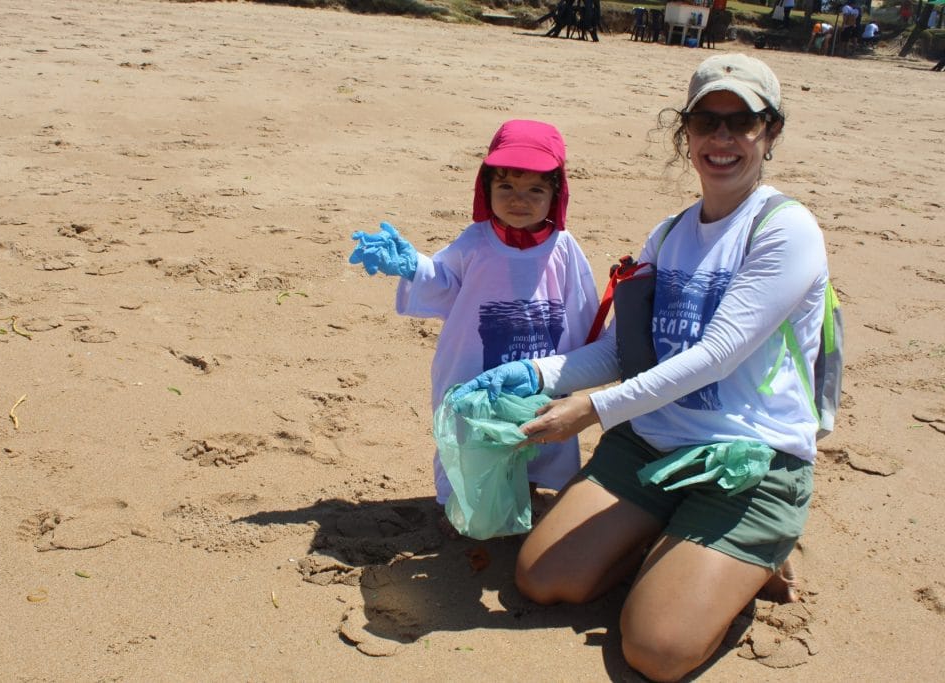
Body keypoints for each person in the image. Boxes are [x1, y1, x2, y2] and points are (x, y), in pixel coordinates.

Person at [454, 54, 827, 681]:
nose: (722, 137)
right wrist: (536, 375)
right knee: (544, 579)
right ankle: (678, 545)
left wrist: (592, 409)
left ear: (771, 132)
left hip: (747, 461)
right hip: (651, 442)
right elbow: (622, 351)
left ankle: (747, 555)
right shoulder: (670, 233)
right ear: (686, 132)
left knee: (657, 650)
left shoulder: (785, 230)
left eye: (742, 121)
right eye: (706, 121)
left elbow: (716, 357)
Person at [348, 119, 599, 518]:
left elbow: (582, 308)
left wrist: (577, 366)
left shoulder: (563, 248)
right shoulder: (475, 241)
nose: (519, 200)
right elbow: (445, 285)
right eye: (506, 187)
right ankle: (462, 505)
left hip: (538, 371)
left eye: (535, 190)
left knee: (535, 434)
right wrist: (414, 266)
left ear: (557, 193)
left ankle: (527, 488)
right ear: (486, 188)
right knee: (471, 438)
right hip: (473, 370)